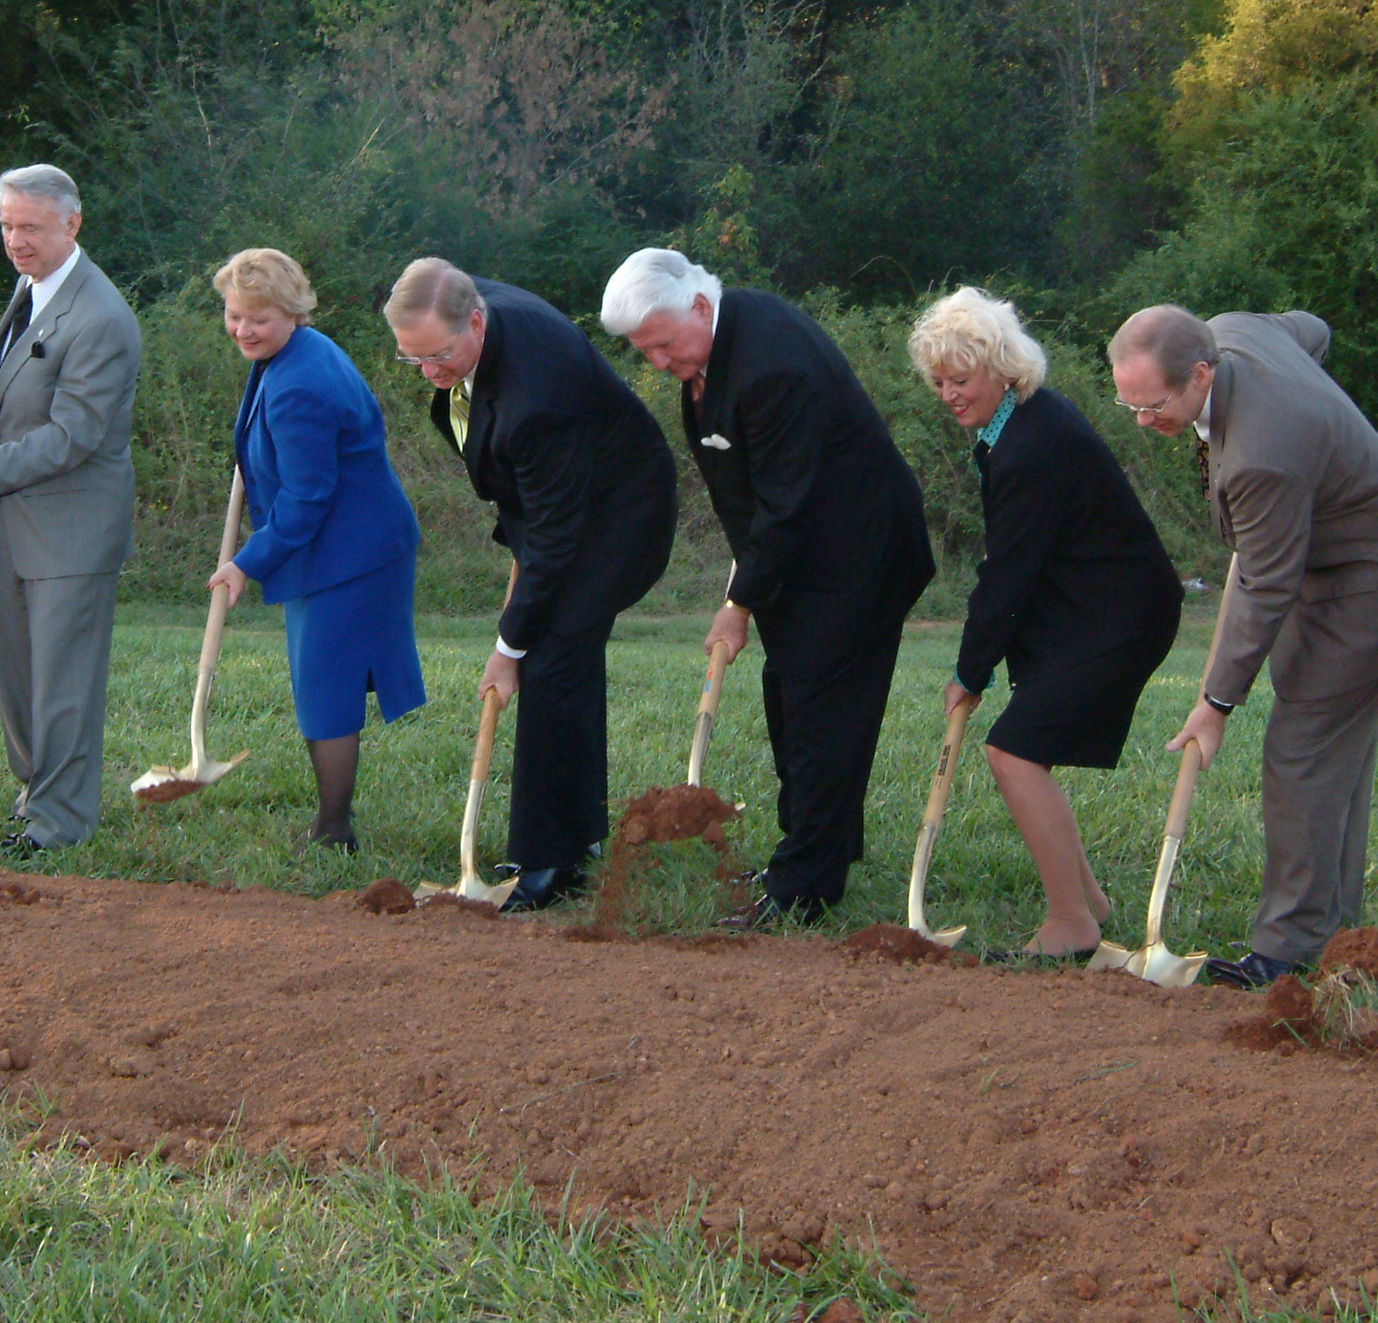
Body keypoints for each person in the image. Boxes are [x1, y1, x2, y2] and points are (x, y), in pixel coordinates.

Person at [1107, 304, 1378, 988]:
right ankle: (1334, 927)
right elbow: (1314, 329)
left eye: (1155, 406)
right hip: (1343, 555)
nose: (1146, 423)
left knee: (1303, 746)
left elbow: (1265, 585)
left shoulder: (1262, 454)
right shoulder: (1238, 330)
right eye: (1131, 408)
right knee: (1331, 745)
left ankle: (1287, 952)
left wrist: (1215, 704)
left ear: (1201, 371)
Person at [600, 248, 935, 925]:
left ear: (698, 306)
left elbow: (787, 503)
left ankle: (803, 885)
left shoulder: (774, 366)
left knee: (820, 709)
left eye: (664, 346)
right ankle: (819, 850)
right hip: (802, 551)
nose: (660, 364)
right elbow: (751, 499)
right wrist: (749, 586)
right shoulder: (718, 346)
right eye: (647, 353)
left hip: (857, 553)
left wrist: (738, 604)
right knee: (790, 696)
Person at [384, 258, 678, 910]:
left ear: (477, 320)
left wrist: (507, 647)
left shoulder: (536, 396)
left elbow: (555, 540)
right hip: (553, 498)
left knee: (551, 660)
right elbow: (532, 506)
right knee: (562, 661)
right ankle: (577, 833)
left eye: (439, 356)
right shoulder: (453, 306)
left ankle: (551, 860)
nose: (430, 374)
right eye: (415, 361)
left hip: (617, 513)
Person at [911, 289, 1182, 961]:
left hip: (1119, 618)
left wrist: (969, 670)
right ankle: (1089, 902)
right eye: (939, 382)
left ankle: (1072, 924)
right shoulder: (1016, 426)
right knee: (1022, 745)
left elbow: (1007, 572)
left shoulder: (1030, 444)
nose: (949, 395)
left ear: (1002, 368)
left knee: (1014, 751)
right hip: (1089, 611)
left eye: (961, 379)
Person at [0, 164, 142, 853]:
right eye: (6, 224)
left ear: (72, 224)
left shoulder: (102, 315)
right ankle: (34, 803)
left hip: (74, 529)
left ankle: (60, 826)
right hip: (18, 524)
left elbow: (75, 435)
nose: (15, 240)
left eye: (31, 227)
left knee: (64, 685)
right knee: (20, 679)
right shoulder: (31, 289)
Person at [206, 248, 426, 850]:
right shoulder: (294, 352)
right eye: (234, 316)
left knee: (326, 689)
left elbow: (307, 501)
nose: (244, 330)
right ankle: (332, 823)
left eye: (259, 318)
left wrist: (246, 562)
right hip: (341, 543)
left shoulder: (299, 383)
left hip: (353, 554)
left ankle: (333, 832)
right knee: (319, 683)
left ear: (293, 312)